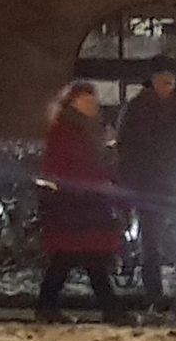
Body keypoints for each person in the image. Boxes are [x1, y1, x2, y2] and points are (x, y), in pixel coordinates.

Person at [35, 82, 132, 325]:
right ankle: (109, 310)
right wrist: (99, 178)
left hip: (88, 202)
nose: (92, 105)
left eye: (93, 100)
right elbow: (64, 167)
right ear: (73, 103)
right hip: (74, 203)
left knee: (83, 257)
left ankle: (50, 306)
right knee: (77, 256)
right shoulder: (65, 130)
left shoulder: (92, 129)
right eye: (85, 101)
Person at [113, 65, 176, 317]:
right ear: (151, 81)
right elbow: (127, 151)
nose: (167, 84)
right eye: (162, 79)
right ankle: (155, 297)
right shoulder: (136, 110)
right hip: (151, 185)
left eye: (171, 80)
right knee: (151, 244)